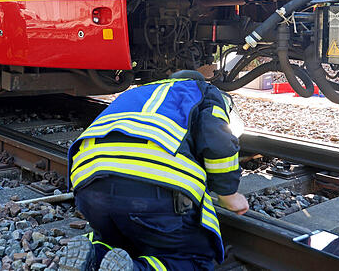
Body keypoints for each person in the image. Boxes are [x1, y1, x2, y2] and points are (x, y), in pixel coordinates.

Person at [60, 70, 249, 271]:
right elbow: (217, 142)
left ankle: (94, 254)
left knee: (117, 238)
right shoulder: (205, 91)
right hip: (150, 188)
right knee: (193, 258)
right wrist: (228, 194)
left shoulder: (140, 92)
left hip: (88, 183)